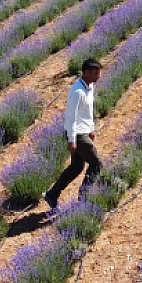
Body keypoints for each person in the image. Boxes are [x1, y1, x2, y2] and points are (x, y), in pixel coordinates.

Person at [45, 58, 102, 211]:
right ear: (87, 73)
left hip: (84, 132)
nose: (99, 76)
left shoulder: (89, 88)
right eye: (96, 73)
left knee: (76, 167)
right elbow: (71, 116)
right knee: (97, 163)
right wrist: (72, 140)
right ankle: (83, 200)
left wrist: (91, 128)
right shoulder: (77, 92)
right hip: (77, 134)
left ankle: (52, 194)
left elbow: (86, 112)